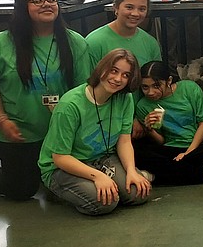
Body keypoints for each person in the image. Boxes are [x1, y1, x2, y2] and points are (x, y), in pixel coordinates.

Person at [0, 0, 91, 201]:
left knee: (58, 193)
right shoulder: (1, 43)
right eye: (37, 1)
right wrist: (1, 120)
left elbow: (83, 90)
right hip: (17, 134)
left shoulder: (74, 41)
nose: (46, 4)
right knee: (21, 191)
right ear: (22, 8)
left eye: (51, 0)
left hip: (59, 135)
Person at [39, 49, 150, 216]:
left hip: (101, 157)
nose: (118, 79)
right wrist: (97, 176)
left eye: (126, 75)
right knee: (105, 203)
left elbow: (124, 141)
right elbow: (60, 157)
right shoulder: (70, 105)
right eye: (114, 70)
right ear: (102, 68)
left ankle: (99, 184)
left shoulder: (124, 98)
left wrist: (132, 171)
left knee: (137, 193)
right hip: (63, 166)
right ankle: (59, 190)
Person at [133, 61, 203, 185]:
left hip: (201, 144)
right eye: (145, 87)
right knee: (138, 151)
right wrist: (149, 129)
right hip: (172, 148)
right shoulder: (143, 106)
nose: (150, 92)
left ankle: (156, 176)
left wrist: (188, 153)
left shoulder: (189, 88)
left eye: (156, 86)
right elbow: (161, 141)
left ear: (169, 81)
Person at [85, 0, 161, 67]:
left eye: (141, 9)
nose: (135, 13)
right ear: (116, 7)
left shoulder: (150, 43)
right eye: (129, 7)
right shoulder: (95, 42)